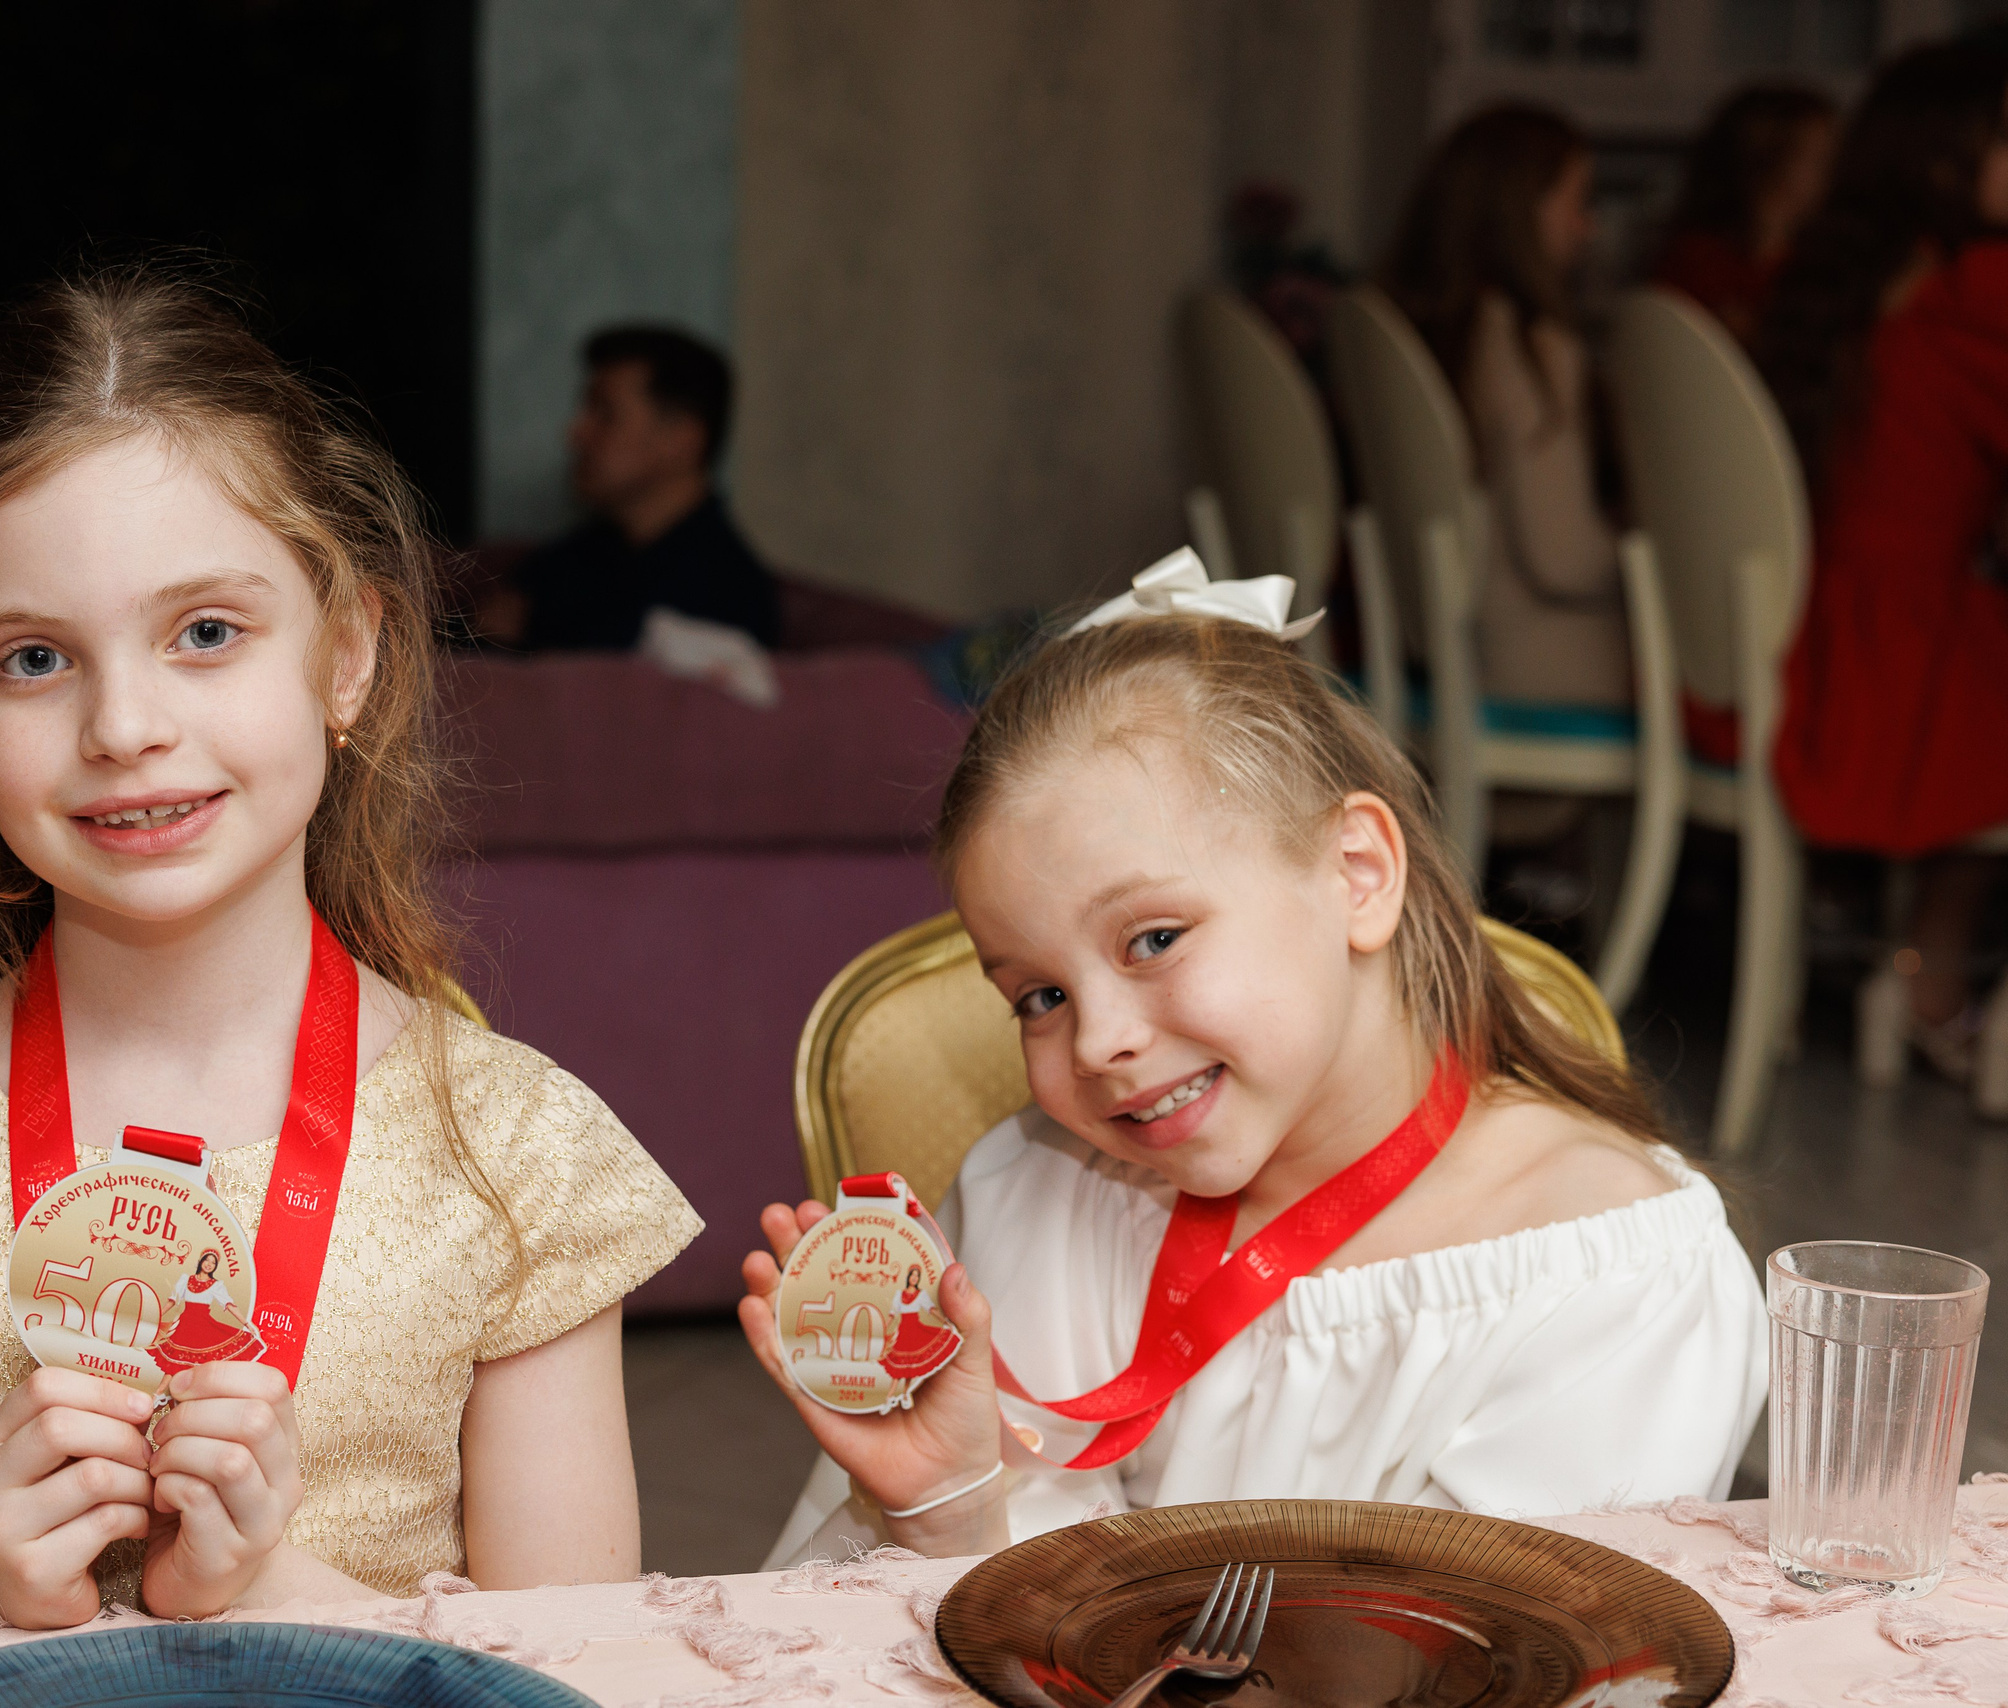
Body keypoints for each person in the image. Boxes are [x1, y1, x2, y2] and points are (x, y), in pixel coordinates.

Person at [0, 268, 701, 1636]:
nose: (124, 726)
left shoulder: (523, 1157)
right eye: (35, 660)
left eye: (206, 633)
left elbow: (579, 1675)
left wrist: (266, 1587)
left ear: (345, 656)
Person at [743, 594, 1766, 1563]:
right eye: (1037, 997)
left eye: (1152, 937)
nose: (1096, 1040)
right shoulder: (1042, 1196)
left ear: (1356, 873)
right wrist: (950, 1511)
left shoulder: (1607, 1280)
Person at [1757, 39, 2008, 1085]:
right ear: (1954, 155)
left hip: (1792, 637)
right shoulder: (1983, 283)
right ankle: (1932, 979)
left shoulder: (1838, 275)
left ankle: (1913, 974)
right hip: (1897, 658)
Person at [1383, 105, 1630, 714]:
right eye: (1577, 201)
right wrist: (1650, 547)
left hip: (1430, 661)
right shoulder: (1526, 347)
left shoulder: (1404, 333)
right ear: (1525, 211)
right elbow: (1563, 556)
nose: (1587, 227)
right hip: (1541, 672)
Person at [501, 324, 779, 652]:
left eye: (606, 414)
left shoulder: (724, 596)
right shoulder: (575, 555)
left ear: (682, 439)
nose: (575, 433)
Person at [1653, 84, 1839, 345]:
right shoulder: (1694, 260)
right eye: (1817, 159)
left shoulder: (1824, 259)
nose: (1831, 174)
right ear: (1767, 161)